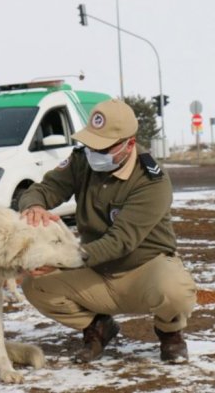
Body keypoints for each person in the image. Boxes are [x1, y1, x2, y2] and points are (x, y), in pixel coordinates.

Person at [19, 98, 197, 364]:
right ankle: (98, 328)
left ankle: (170, 334)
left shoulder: (152, 181)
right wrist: (33, 206)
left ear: (130, 144)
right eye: (90, 144)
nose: (94, 153)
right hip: (96, 270)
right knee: (36, 285)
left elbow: (120, 242)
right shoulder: (82, 161)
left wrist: (61, 259)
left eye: (103, 148)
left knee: (176, 290)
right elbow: (44, 189)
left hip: (144, 270)